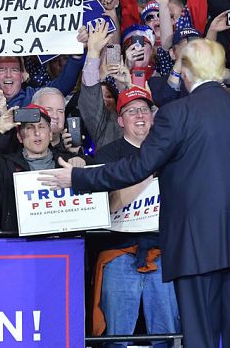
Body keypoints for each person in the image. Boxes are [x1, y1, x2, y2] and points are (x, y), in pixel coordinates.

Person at [40, 39, 230, 348]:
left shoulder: (175, 114)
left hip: (195, 248)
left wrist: (78, 177)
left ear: (187, 72)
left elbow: (137, 168)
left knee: (200, 341)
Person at [88, 87, 180, 346]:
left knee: (167, 334)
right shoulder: (108, 155)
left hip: (164, 252)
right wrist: (146, 174)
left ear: (153, 116)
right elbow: (108, 206)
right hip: (119, 252)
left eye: (144, 109)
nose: (139, 115)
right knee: (117, 336)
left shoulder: (173, 151)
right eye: (131, 111)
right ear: (120, 121)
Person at [0, 105, 85, 230]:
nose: (37, 132)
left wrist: (81, 160)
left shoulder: (67, 163)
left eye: (41, 127)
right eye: (30, 127)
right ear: (19, 137)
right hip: (19, 243)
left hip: (63, 241)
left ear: (51, 134)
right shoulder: (6, 166)